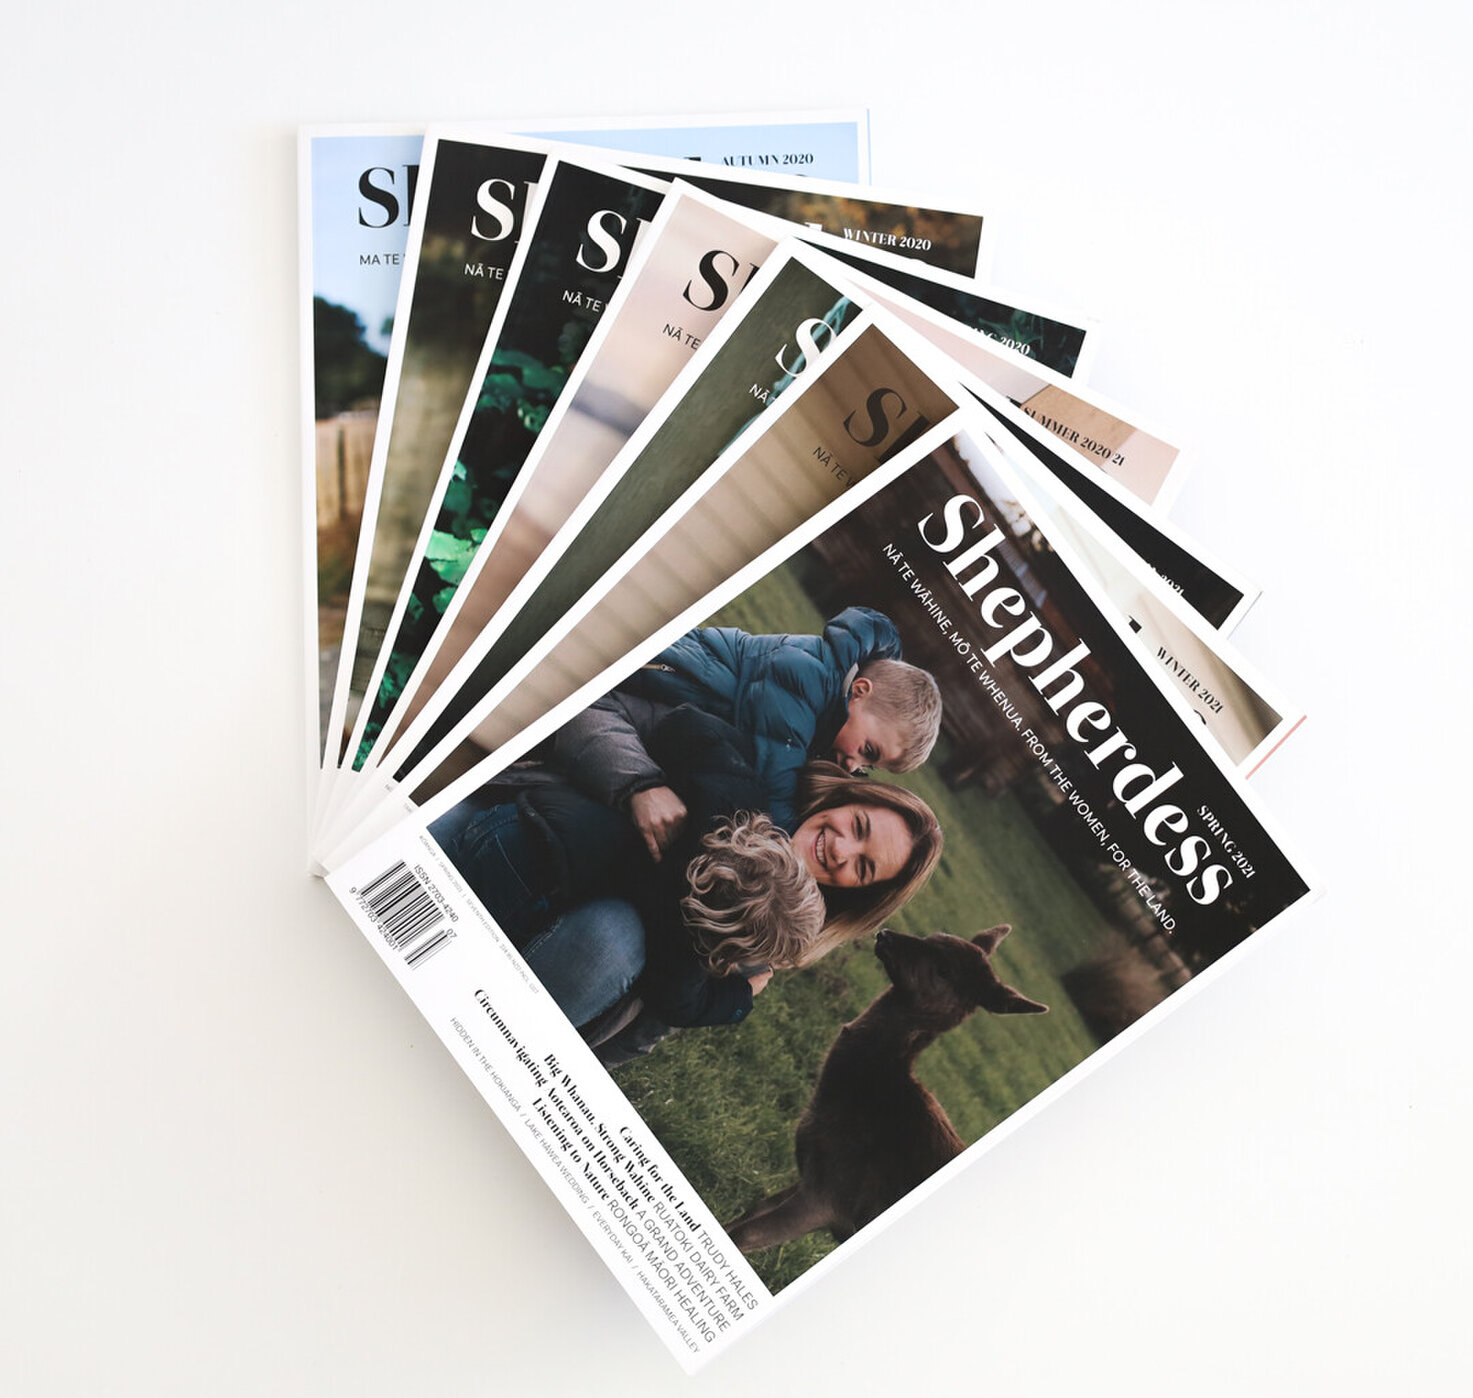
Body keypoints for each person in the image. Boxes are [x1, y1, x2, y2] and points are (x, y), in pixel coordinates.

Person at [427, 707, 943, 1034]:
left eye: (863, 868)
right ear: (849, 796)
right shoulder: (750, 788)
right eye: (857, 825)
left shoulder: (742, 812)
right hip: (528, 832)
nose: (841, 851)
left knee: (607, 939)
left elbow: (694, 733)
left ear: (862, 894)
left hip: (534, 859)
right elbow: (681, 999)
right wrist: (642, 785)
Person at [554, 605, 944, 855]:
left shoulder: (825, 707)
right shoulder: (809, 678)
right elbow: (775, 775)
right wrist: (783, 843)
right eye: (869, 750)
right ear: (859, 693)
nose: (854, 765)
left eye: (869, 766)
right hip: (650, 672)